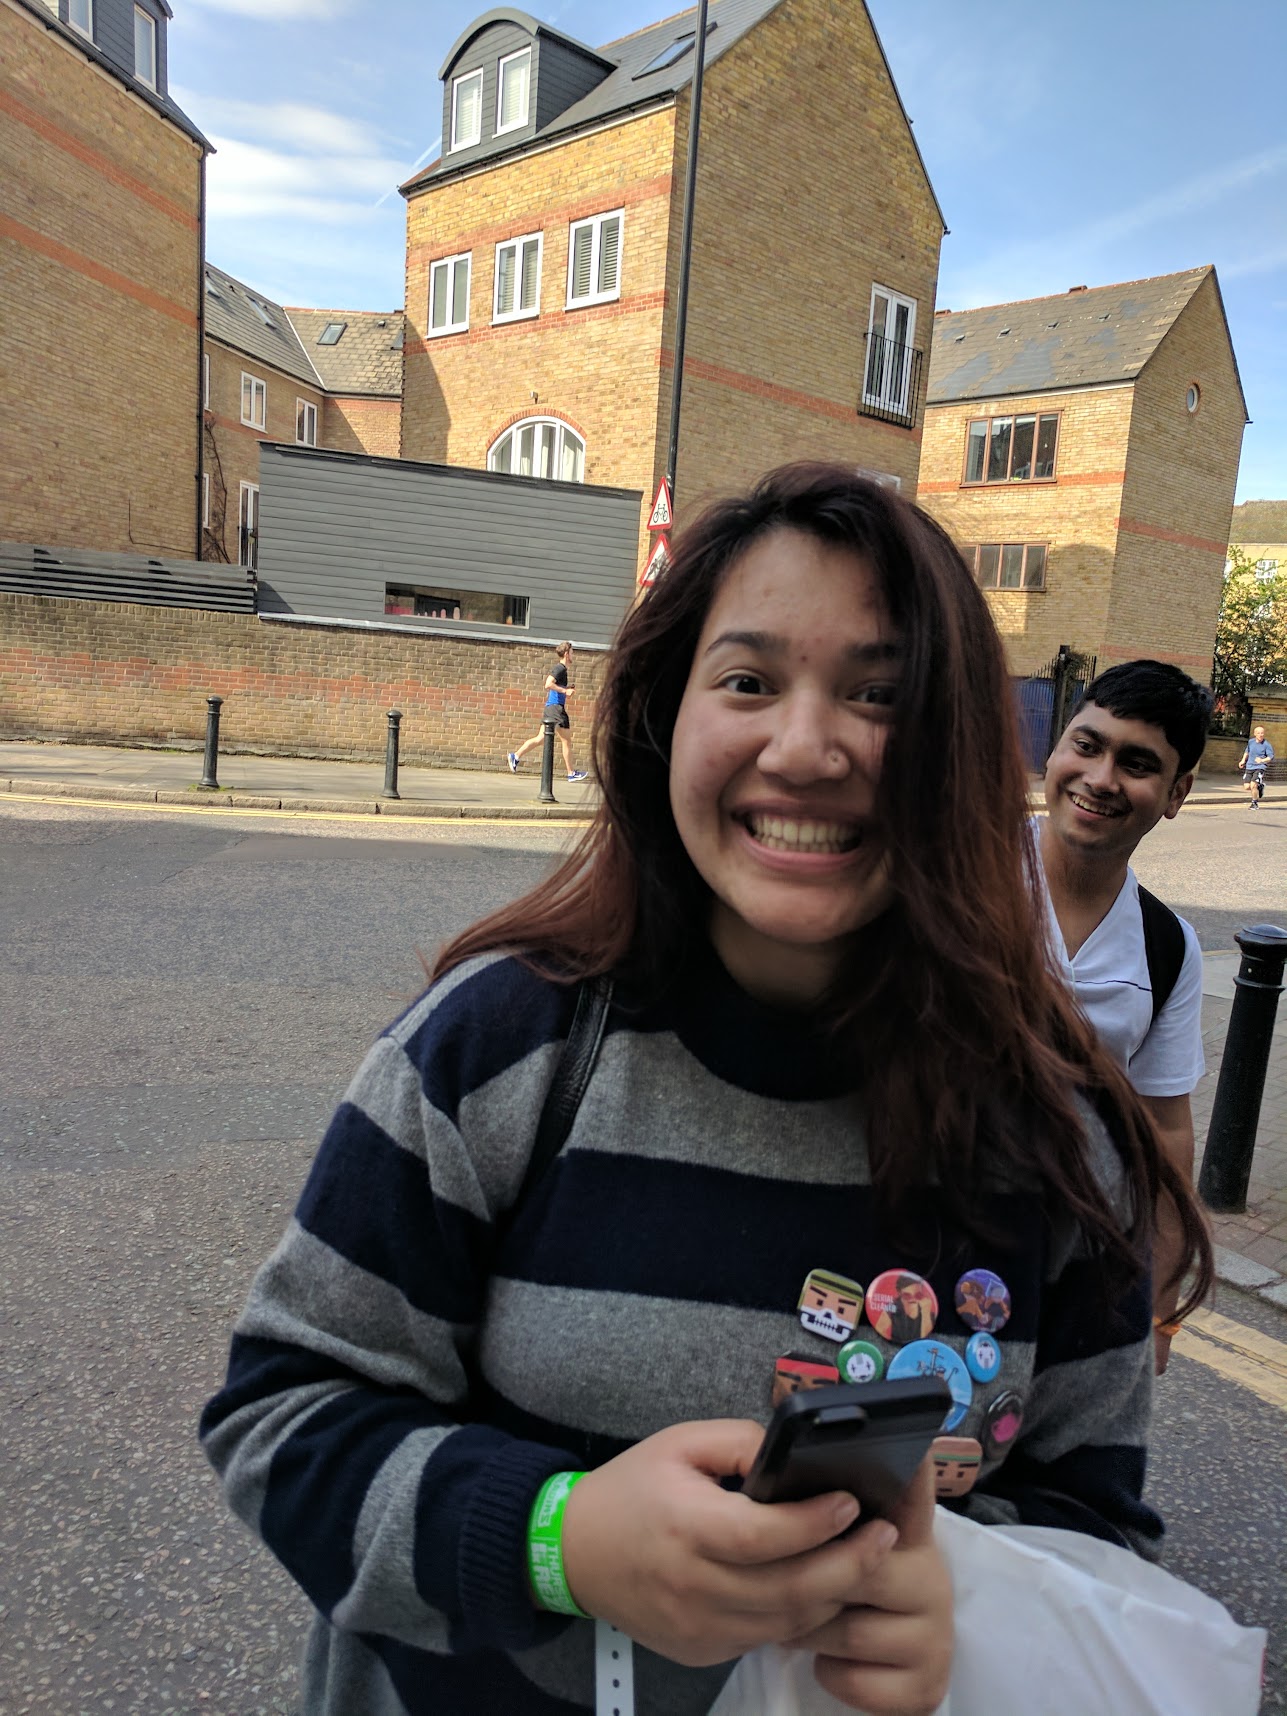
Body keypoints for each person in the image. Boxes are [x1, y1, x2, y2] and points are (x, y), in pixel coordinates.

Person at [201, 465, 1212, 1716]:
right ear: (662, 719)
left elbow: (1096, 1529)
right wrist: (556, 1538)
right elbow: (282, 1423)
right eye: (747, 681)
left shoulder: (1064, 1143)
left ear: (959, 753)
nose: (805, 749)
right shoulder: (493, 1051)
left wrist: (965, 1604)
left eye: (880, 695)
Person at [1037, 661, 1210, 1372]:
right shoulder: (956, 875)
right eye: (1086, 745)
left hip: (1069, 1270)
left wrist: (1160, 1309)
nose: (1100, 778)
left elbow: (1164, 1130)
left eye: (1137, 764)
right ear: (1056, 749)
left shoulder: (1168, 946)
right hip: (909, 1240)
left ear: (1176, 794)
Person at [508, 639, 588, 782]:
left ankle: (516, 756)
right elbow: (548, 684)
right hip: (556, 709)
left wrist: (566, 689)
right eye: (572, 652)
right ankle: (571, 773)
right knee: (566, 741)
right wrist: (565, 691)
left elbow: (554, 687)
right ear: (566, 654)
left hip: (551, 708)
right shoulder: (560, 668)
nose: (573, 655)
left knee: (541, 739)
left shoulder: (562, 670)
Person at [1239, 724, 1275, 806]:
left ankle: (1254, 803)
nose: (1260, 735)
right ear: (1255, 734)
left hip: (1260, 767)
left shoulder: (1266, 745)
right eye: (1258, 733)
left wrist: (1262, 760)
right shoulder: (1251, 742)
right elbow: (1247, 752)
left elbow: (1270, 757)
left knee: (1253, 785)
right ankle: (1260, 787)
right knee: (1247, 787)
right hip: (1249, 766)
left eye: (1262, 733)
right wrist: (1243, 761)